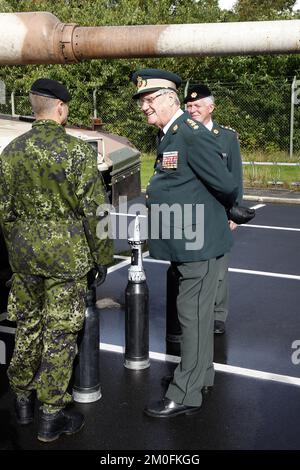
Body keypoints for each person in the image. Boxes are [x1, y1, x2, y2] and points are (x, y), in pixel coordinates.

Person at [0, 78, 113, 441]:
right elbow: (96, 212)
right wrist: (103, 258)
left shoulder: (11, 152)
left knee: (28, 328)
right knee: (61, 334)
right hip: (66, 260)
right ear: (61, 108)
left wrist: (17, 250)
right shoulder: (77, 152)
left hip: (25, 259)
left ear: (35, 108)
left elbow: (5, 212)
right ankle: (51, 414)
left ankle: (22, 401)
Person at [131, 68, 238, 418]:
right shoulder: (170, 134)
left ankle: (185, 392)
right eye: (141, 101)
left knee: (190, 317)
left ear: (169, 98)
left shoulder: (189, 134)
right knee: (199, 318)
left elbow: (224, 183)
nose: (144, 107)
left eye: (149, 100)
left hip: (199, 245)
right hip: (187, 243)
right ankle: (201, 376)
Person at [184, 84, 244, 335]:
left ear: (211, 108)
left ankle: (218, 314)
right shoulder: (182, 133)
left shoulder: (226, 137)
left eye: (197, 105)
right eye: (188, 106)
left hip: (218, 209)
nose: (192, 110)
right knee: (190, 262)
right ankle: (193, 310)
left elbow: (235, 176)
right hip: (190, 208)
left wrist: (234, 211)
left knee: (218, 265)